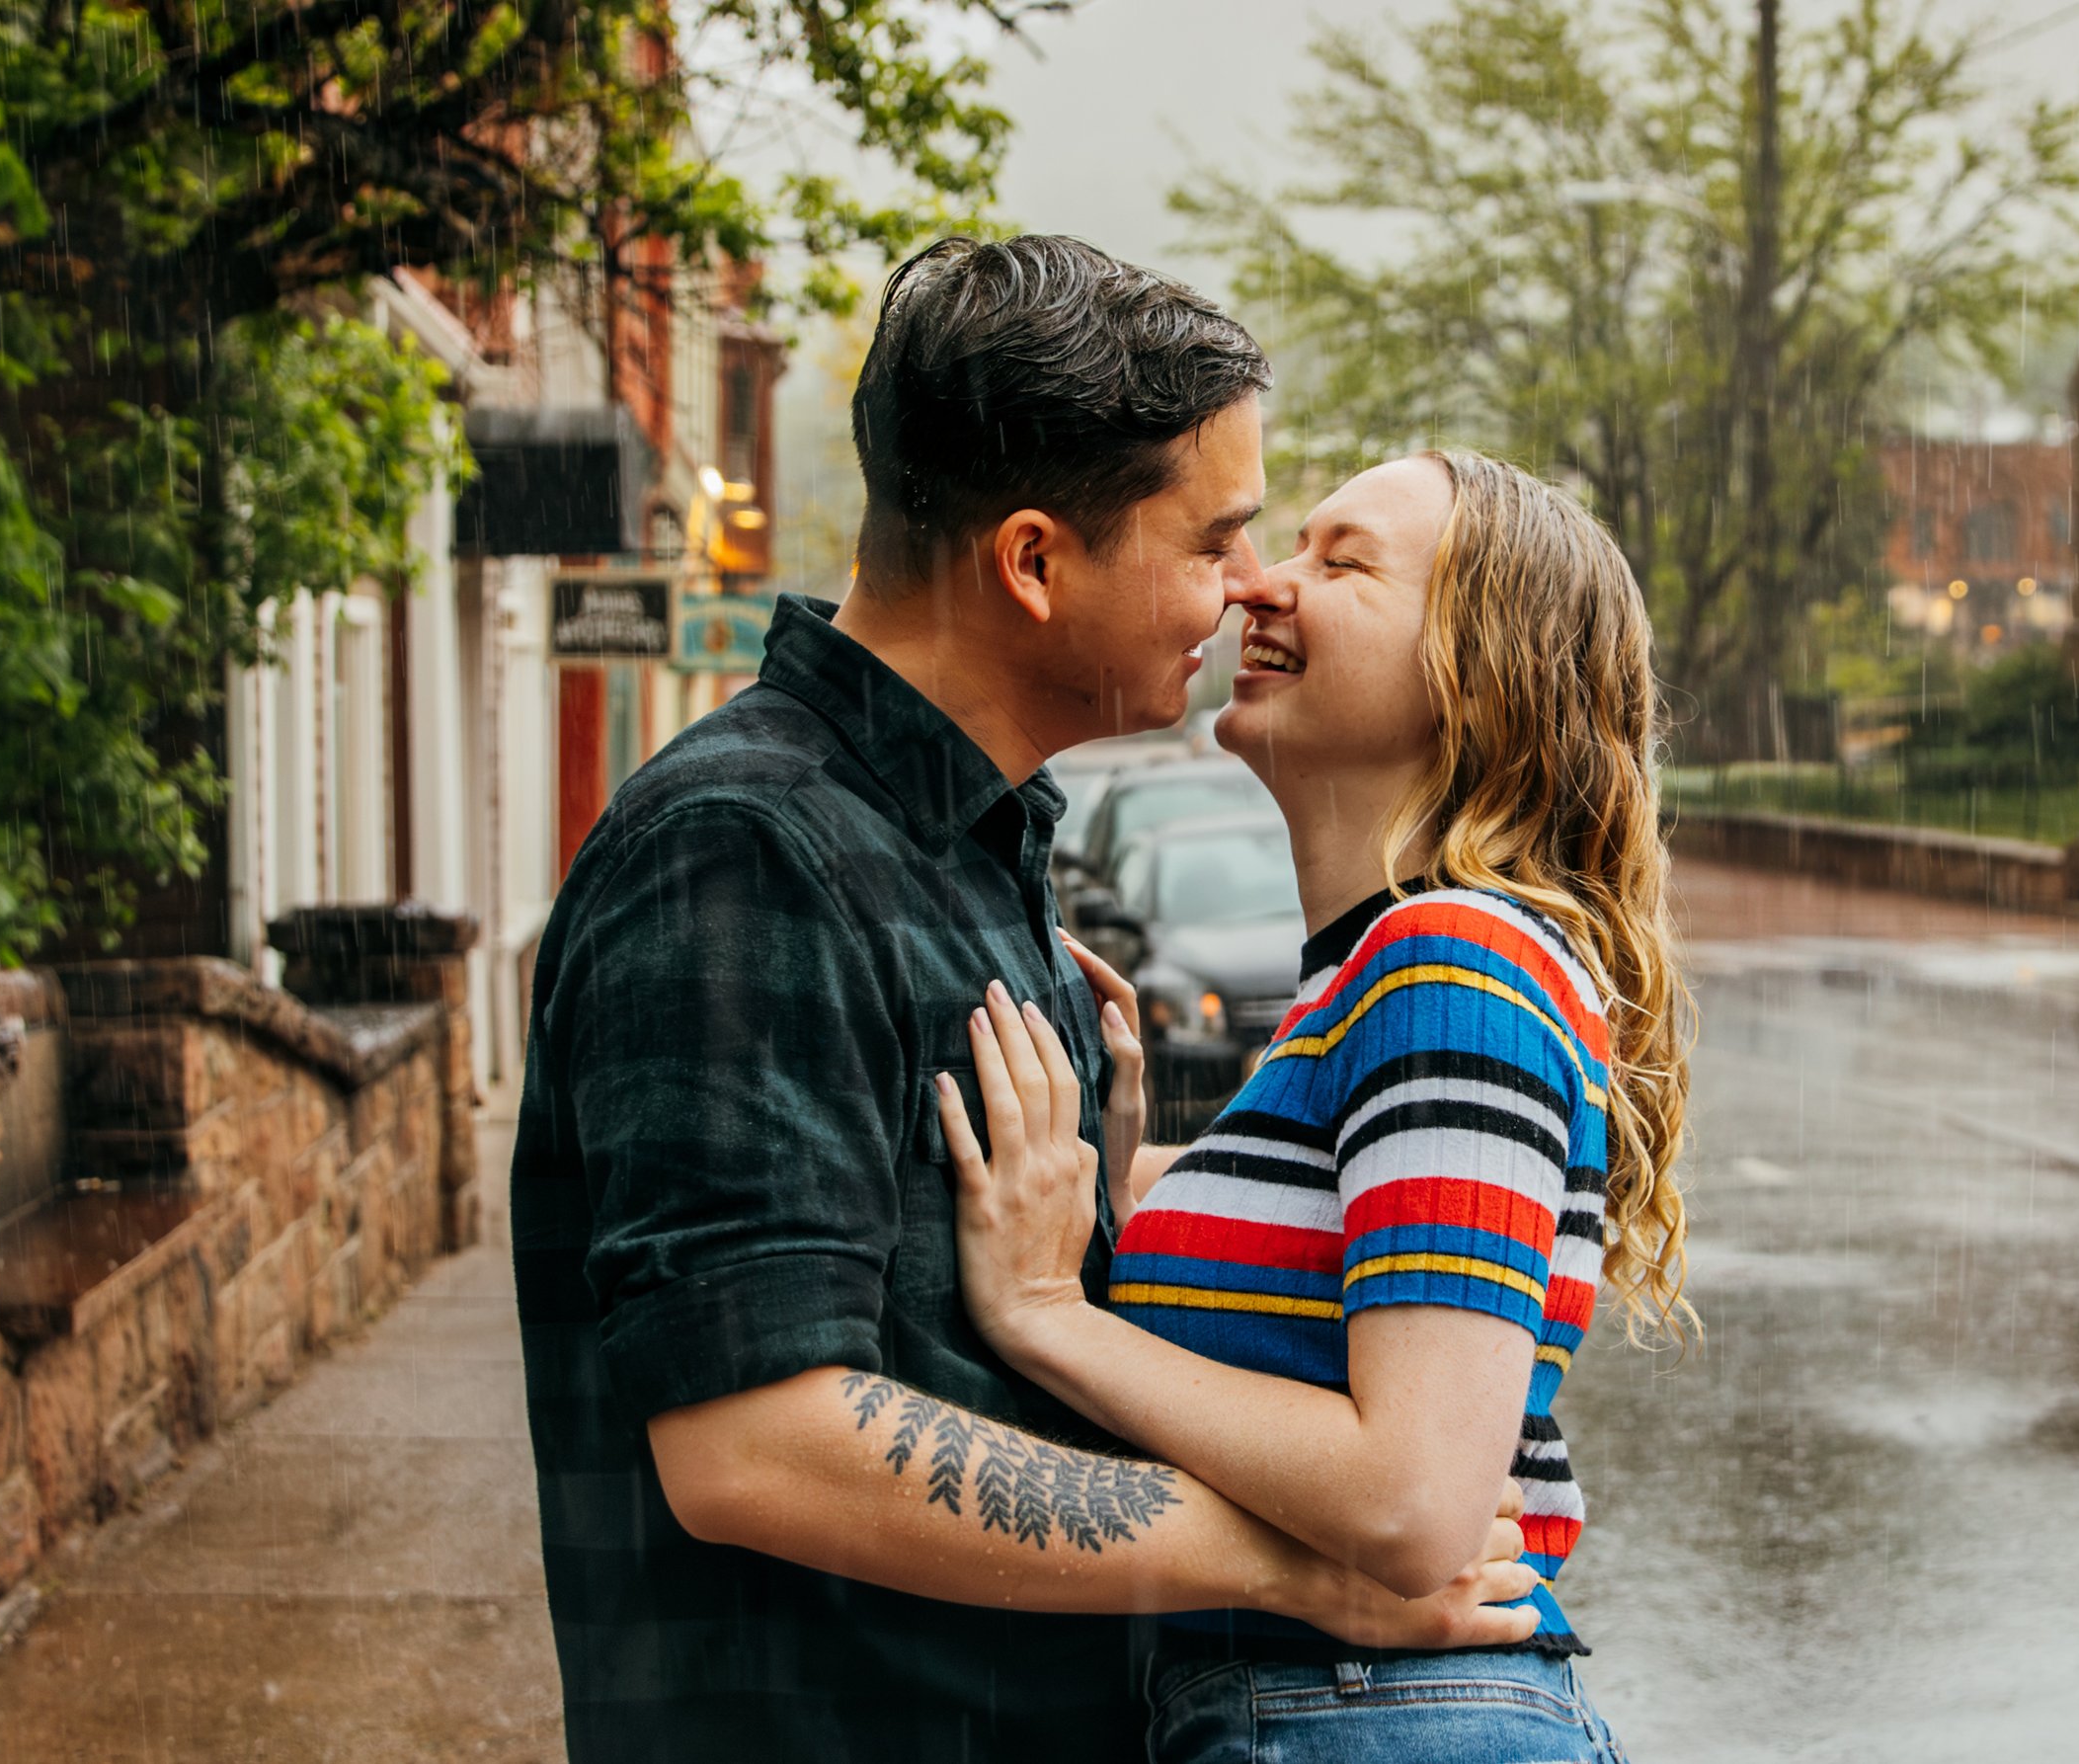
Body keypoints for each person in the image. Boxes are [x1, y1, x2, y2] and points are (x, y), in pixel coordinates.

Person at [509, 238, 1537, 1764]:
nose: (1252, 587)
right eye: (1216, 538)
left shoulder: (967, 854)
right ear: (1036, 563)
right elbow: (754, 1444)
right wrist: (1291, 1565)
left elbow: (951, 1329)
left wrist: (1117, 1202)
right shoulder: (742, 852)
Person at [937, 449, 1694, 1762]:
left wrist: (1050, 1313)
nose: (1256, 587)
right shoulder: (1367, 981)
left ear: (1481, 673)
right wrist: (1133, 1193)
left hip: (1383, 1722)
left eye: (1340, 563)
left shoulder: (1455, 963)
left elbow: (1412, 1499)